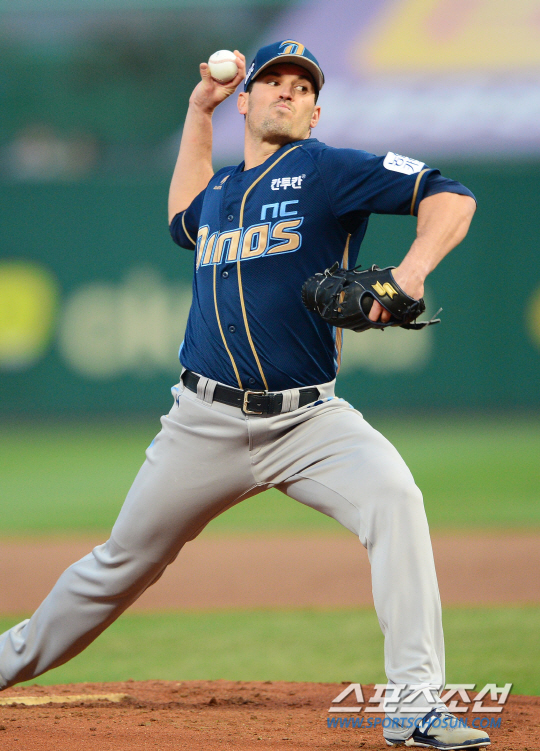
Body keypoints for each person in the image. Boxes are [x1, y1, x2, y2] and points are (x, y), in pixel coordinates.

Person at [0, 41, 488, 749]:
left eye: (302, 86)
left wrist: (410, 274)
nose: (287, 90)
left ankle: (413, 703)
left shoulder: (328, 170)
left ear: (315, 112)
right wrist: (198, 111)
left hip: (310, 421)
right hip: (202, 423)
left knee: (396, 500)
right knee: (119, 565)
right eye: (273, 80)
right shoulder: (223, 191)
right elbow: (182, 217)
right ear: (246, 99)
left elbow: (451, 195)